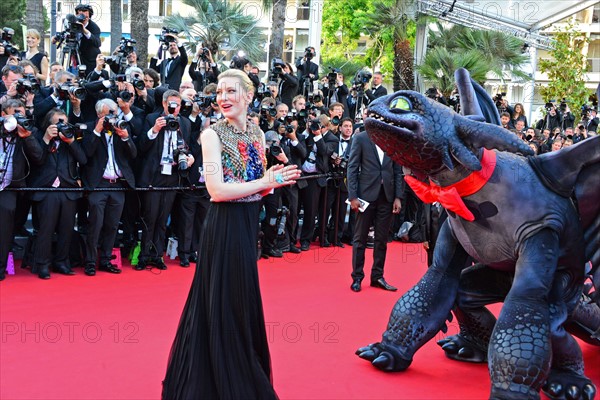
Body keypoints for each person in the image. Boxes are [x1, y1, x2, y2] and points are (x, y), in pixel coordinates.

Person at [162, 69, 300, 398]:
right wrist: (265, 183)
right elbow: (217, 190)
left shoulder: (257, 135)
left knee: (240, 303)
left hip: (246, 226)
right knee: (218, 303)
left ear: (249, 96)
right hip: (222, 228)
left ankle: (241, 371)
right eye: (220, 92)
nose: (223, 97)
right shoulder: (211, 136)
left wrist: (270, 184)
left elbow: (250, 188)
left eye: (231, 92)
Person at [347, 130, 404, 292]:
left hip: (386, 196)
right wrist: (352, 196)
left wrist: (398, 197)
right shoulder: (361, 138)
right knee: (360, 239)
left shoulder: (392, 139)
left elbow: (397, 171)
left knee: (381, 239)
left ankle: (377, 276)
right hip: (365, 196)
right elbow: (352, 168)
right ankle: (357, 277)